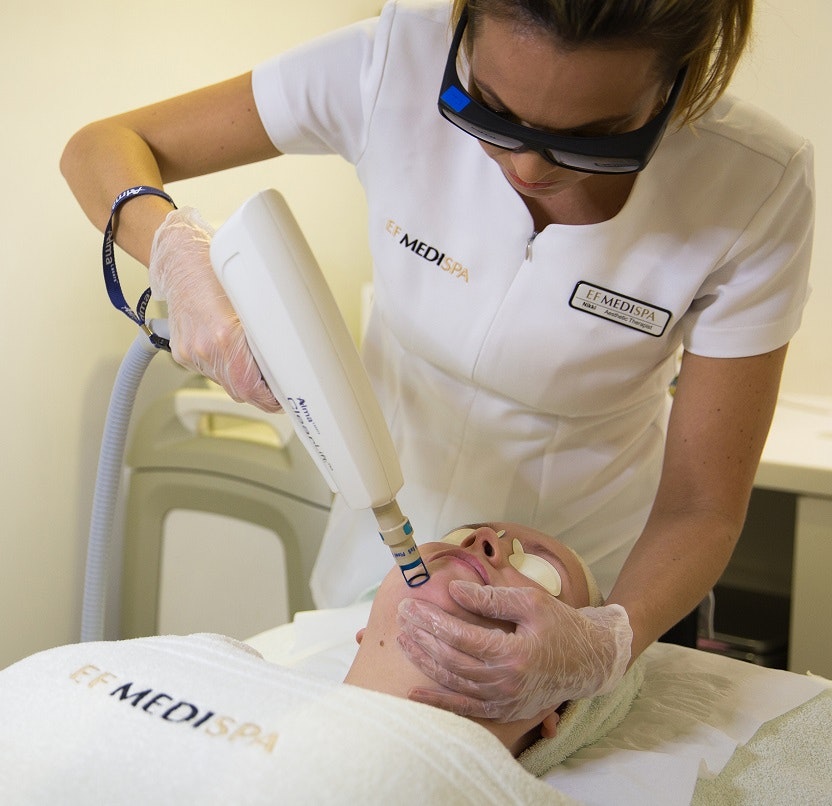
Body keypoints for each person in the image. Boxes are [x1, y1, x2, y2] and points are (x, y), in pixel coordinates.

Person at [60, 0, 814, 725]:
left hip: (599, 585)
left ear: (680, 83)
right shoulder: (392, 63)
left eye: (596, 136)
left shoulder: (753, 185)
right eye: (488, 107)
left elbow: (701, 507)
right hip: (374, 565)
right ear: (464, 27)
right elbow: (102, 145)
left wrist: (607, 641)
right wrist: (173, 251)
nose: (525, 165)